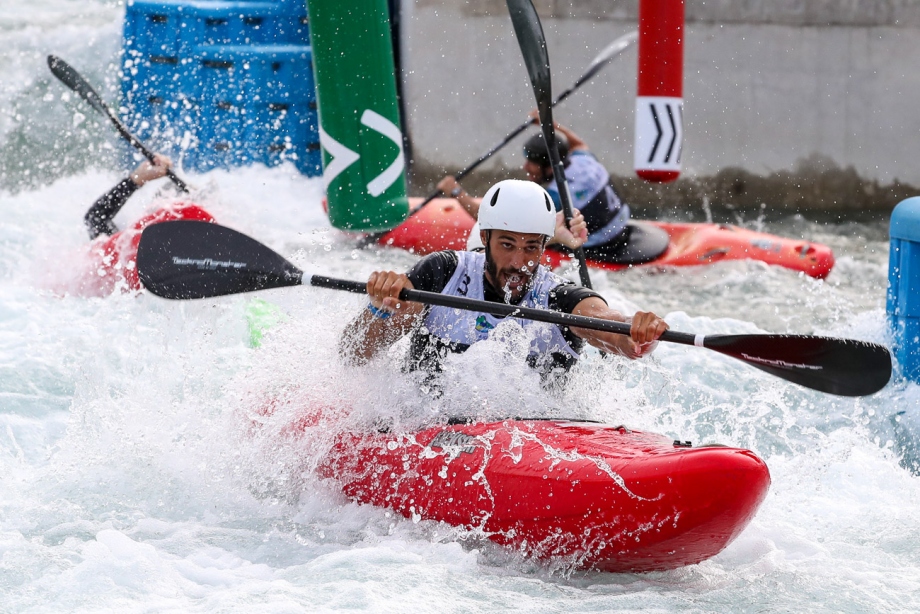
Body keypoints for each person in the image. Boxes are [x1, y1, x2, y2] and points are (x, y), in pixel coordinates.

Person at [340, 179, 668, 388]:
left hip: (538, 439)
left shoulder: (559, 296)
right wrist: (383, 308)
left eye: (531, 248)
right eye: (507, 245)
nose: (518, 263)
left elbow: (610, 328)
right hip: (431, 428)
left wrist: (637, 332)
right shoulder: (443, 273)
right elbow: (352, 355)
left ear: (544, 247)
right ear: (485, 238)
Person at [438, 112, 631, 259]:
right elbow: (577, 143)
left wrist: (456, 191)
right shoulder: (582, 160)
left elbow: (494, 220)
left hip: (600, 245)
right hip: (621, 223)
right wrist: (549, 124)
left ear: (548, 166)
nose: (525, 167)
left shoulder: (554, 197)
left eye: (532, 163)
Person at [84, 154, 173, 239]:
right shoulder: (132, 247)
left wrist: (134, 181)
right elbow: (95, 218)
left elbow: (95, 217)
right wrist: (136, 179)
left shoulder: (131, 250)